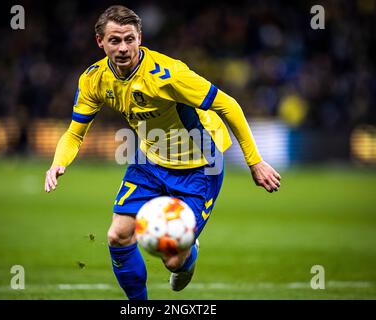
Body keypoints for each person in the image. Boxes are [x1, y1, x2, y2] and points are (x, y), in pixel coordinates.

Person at [44, 5, 281, 300]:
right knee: (117, 235)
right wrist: (58, 164)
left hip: (199, 166)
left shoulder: (168, 75)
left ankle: (187, 256)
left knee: (172, 259)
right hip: (149, 160)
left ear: (140, 38)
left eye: (129, 39)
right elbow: (75, 132)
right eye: (114, 40)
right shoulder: (93, 79)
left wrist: (254, 162)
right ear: (100, 42)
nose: (123, 48)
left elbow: (227, 105)